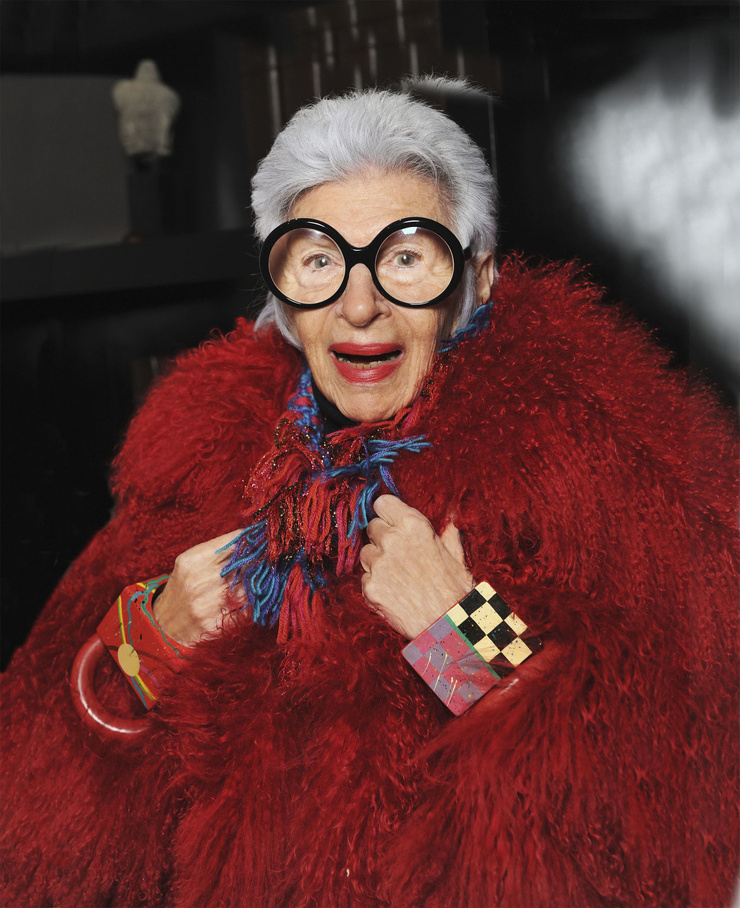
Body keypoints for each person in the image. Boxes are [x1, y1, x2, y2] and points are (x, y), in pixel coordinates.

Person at [1, 78, 737, 908]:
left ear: (478, 276)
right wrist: (152, 638)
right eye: (320, 260)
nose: (360, 305)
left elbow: (666, 826)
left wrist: (461, 633)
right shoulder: (198, 470)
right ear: (283, 291)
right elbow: (32, 813)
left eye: (405, 258)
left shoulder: (600, 473)